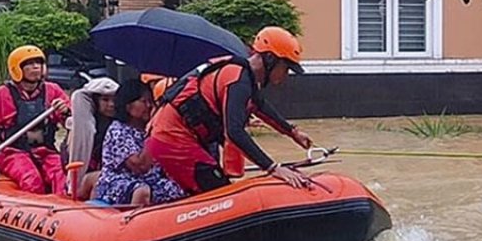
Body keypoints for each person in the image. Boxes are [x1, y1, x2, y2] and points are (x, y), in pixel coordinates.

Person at [146, 26, 314, 195]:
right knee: (218, 193)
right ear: (270, 58)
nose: (285, 75)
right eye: (285, 68)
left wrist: (293, 132)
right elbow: (234, 131)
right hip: (172, 139)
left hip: (177, 137)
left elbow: (261, 106)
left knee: (216, 187)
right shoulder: (238, 80)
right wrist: (273, 168)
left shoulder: (244, 77)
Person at [0, 46, 70, 194]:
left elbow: (72, 122)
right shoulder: (1, 95)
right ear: (17, 68)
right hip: (12, 153)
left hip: (46, 151)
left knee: (63, 177)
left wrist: (66, 111)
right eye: (29, 64)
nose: (36, 67)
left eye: (39, 63)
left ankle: (62, 210)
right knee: (32, 181)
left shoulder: (53, 91)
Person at [93, 78, 186, 206]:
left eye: (150, 102)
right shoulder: (118, 130)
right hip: (120, 183)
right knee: (141, 191)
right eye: (144, 101)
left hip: (151, 180)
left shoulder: (145, 128)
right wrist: (154, 131)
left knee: (179, 189)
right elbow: (140, 166)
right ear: (128, 106)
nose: (149, 106)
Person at [63, 77, 119, 200]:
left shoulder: (121, 126)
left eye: (114, 100)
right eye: (105, 100)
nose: (111, 104)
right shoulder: (78, 127)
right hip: (84, 178)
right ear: (94, 101)